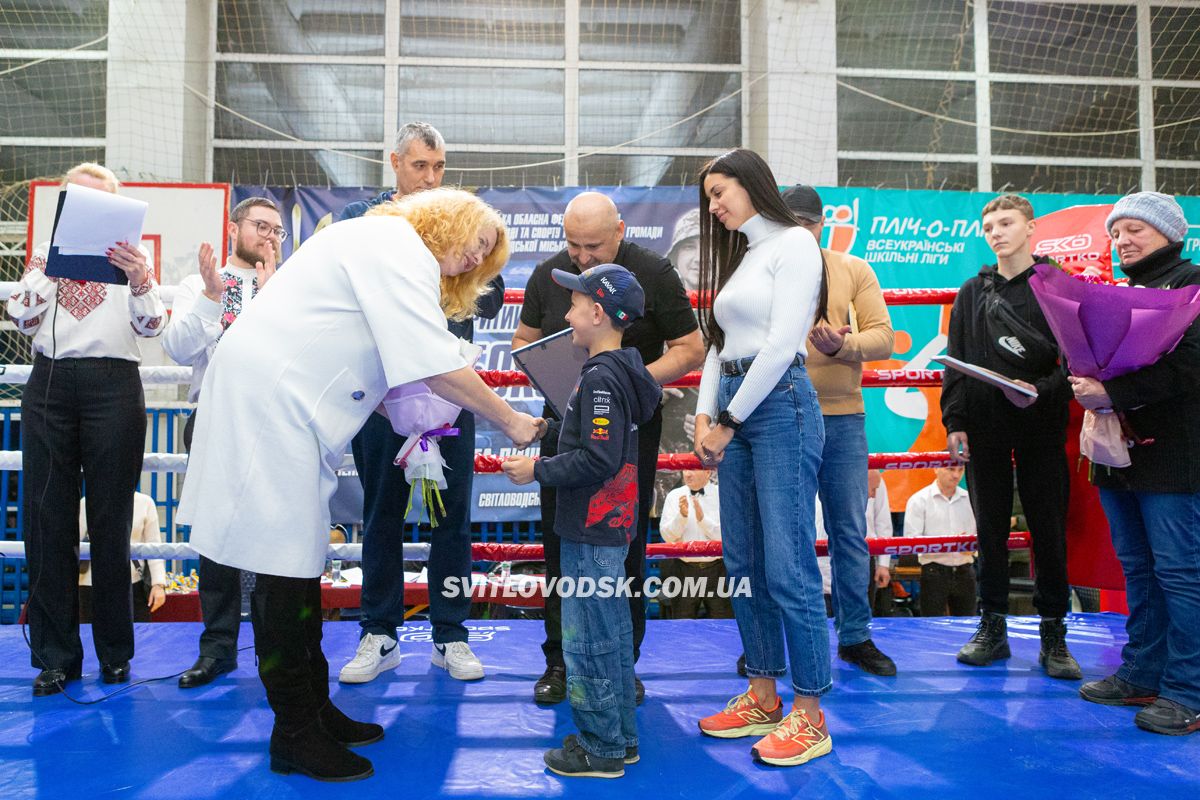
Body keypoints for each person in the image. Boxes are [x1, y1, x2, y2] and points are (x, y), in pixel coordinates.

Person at [177, 188, 545, 782]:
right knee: (281, 568)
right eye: (475, 246)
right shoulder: (396, 244)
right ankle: (294, 731)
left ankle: (311, 709)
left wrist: (417, 415)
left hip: (287, 405)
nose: (471, 264)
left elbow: (381, 372)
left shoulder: (381, 245)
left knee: (296, 564)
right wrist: (512, 419)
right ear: (449, 223)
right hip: (273, 406)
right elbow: (430, 365)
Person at [512, 191, 704, 705]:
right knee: (560, 544)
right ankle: (560, 661)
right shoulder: (554, 275)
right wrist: (558, 376)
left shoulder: (654, 272)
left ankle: (623, 663)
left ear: (619, 230)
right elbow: (521, 341)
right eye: (573, 244)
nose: (582, 256)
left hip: (630, 433)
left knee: (627, 547)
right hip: (563, 429)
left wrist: (628, 382)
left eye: (593, 245)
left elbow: (691, 348)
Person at [337, 122, 505, 685]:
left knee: (450, 518)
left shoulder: (460, 217)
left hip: (447, 395)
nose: (430, 177)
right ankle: (379, 632)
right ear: (395, 164)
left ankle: (451, 635)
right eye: (419, 167)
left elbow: (493, 290)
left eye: (438, 167)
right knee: (381, 513)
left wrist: (462, 252)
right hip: (383, 396)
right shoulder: (365, 218)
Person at [691, 149, 832, 768]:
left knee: (788, 561)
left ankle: (810, 713)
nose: (714, 206)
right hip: (737, 406)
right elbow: (721, 346)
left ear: (751, 186)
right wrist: (703, 411)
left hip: (778, 408)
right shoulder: (746, 256)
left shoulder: (795, 246)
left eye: (720, 192)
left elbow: (779, 346)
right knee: (744, 558)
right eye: (711, 196)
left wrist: (726, 421)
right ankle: (763, 692)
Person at [8, 162, 166, 697]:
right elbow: (22, 319)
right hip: (51, 383)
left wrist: (141, 278)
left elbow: (152, 327)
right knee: (46, 520)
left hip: (115, 385)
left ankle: (115, 654)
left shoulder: (134, 262)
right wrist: (48, 271)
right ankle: (55, 657)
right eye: (79, 200)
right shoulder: (40, 258)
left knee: (111, 521)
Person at [502, 264, 661, 778]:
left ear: (597, 313)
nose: (566, 314)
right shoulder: (616, 371)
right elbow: (599, 442)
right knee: (609, 631)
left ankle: (600, 748)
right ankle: (618, 738)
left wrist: (536, 469)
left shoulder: (598, 378)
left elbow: (598, 458)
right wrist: (552, 428)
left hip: (591, 529)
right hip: (605, 526)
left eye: (574, 305)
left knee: (588, 639)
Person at [1073, 192, 1200, 736]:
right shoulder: (1120, 291)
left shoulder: (1193, 285)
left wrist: (1113, 390)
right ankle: (1143, 672)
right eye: (1116, 232)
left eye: (1135, 231)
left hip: (1175, 453)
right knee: (1140, 570)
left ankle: (1187, 691)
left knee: (1180, 573)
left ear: (1169, 233)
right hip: (1117, 455)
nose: (1122, 241)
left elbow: (1192, 367)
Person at [941, 194, 1081, 680]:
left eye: (1007, 222)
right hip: (984, 428)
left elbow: (1078, 365)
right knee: (990, 532)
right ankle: (991, 627)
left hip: (1042, 427)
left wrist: (1039, 392)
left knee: (1048, 528)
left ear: (1030, 227)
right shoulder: (969, 293)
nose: (996, 232)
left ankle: (1055, 635)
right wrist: (954, 422)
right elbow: (954, 362)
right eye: (989, 225)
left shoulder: (1056, 289)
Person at [163, 196, 283, 688]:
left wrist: (275, 297)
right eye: (260, 226)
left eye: (277, 230)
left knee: (275, 534)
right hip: (213, 418)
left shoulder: (290, 287)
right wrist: (214, 297)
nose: (269, 236)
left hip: (274, 422)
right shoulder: (201, 284)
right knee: (216, 536)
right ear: (235, 227)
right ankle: (217, 649)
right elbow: (177, 349)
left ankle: (277, 649)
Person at [782, 184, 897, 676]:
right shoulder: (767, 270)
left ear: (821, 225)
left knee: (850, 530)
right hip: (782, 415)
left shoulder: (852, 269)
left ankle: (855, 635)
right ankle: (785, 637)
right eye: (792, 224)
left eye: (808, 224)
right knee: (788, 532)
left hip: (842, 415)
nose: (801, 233)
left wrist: (842, 348)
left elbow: (884, 337)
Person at [78, 492, 166, 624]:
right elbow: (75, 544)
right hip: (90, 584)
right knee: (89, 639)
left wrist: (158, 584)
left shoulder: (145, 503)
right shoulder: (86, 502)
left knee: (138, 638)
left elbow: (154, 547)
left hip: (132, 583)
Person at [903, 465, 977, 616]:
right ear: (936, 468)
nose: (956, 475)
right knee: (930, 627)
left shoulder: (970, 499)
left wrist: (973, 548)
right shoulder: (919, 500)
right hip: (933, 571)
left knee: (967, 627)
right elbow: (911, 542)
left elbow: (979, 535)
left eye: (960, 470)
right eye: (950, 469)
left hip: (965, 570)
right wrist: (947, 546)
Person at [658, 469, 731, 619]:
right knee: (681, 627)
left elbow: (729, 537)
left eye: (693, 469)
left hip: (718, 570)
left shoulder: (722, 495)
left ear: (708, 473)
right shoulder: (674, 496)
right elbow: (667, 537)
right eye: (686, 469)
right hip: (683, 571)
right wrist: (682, 517)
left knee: (723, 628)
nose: (688, 474)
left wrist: (703, 520)